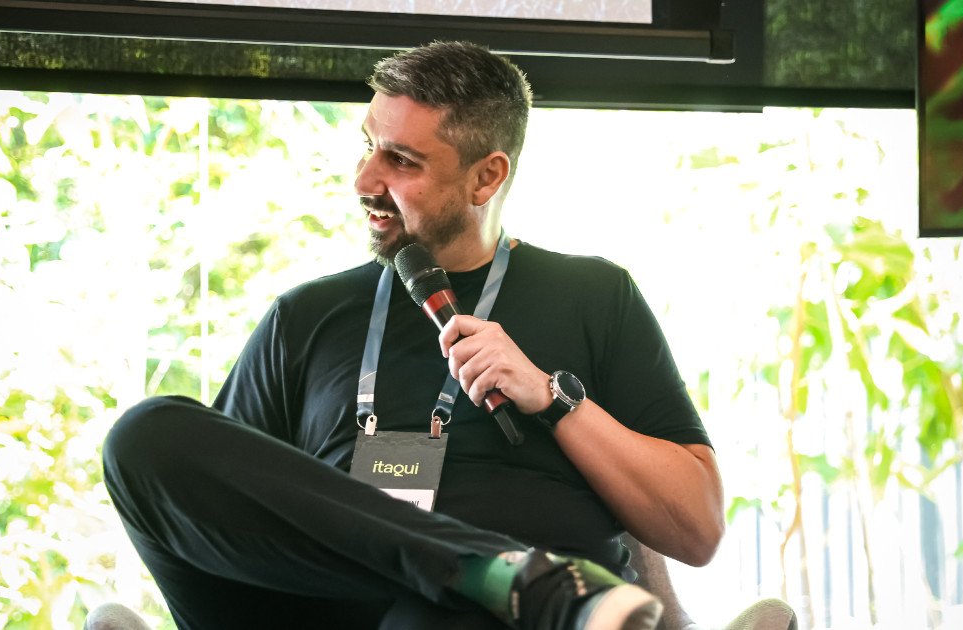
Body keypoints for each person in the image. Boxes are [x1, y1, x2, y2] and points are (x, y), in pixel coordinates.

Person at [102, 40, 725, 630]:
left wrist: (552, 397)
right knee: (142, 435)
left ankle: (507, 586)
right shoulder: (304, 315)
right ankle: (500, 574)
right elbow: (217, 516)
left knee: (441, 618)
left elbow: (695, 526)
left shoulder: (595, 295)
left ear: (486, 178)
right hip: (336, 606)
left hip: (509, 623)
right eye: (368, 147)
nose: (364, 181)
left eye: (400, 160)